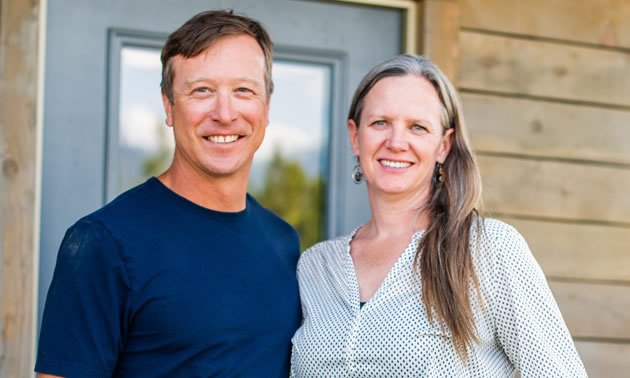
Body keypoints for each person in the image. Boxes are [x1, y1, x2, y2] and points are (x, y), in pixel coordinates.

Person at [35, 10, 301, 377]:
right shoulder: (104, 244)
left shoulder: (283, 241)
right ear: (168, 105)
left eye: (243, 90)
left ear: (266, 107)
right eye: (201, 90)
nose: (224, 113)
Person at [290, 54, 587, 377]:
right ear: (354, 136)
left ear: (443, 146)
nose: (396, 142)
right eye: (380, 123)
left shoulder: (489, 249)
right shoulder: (316, 267)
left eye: (417, 127)